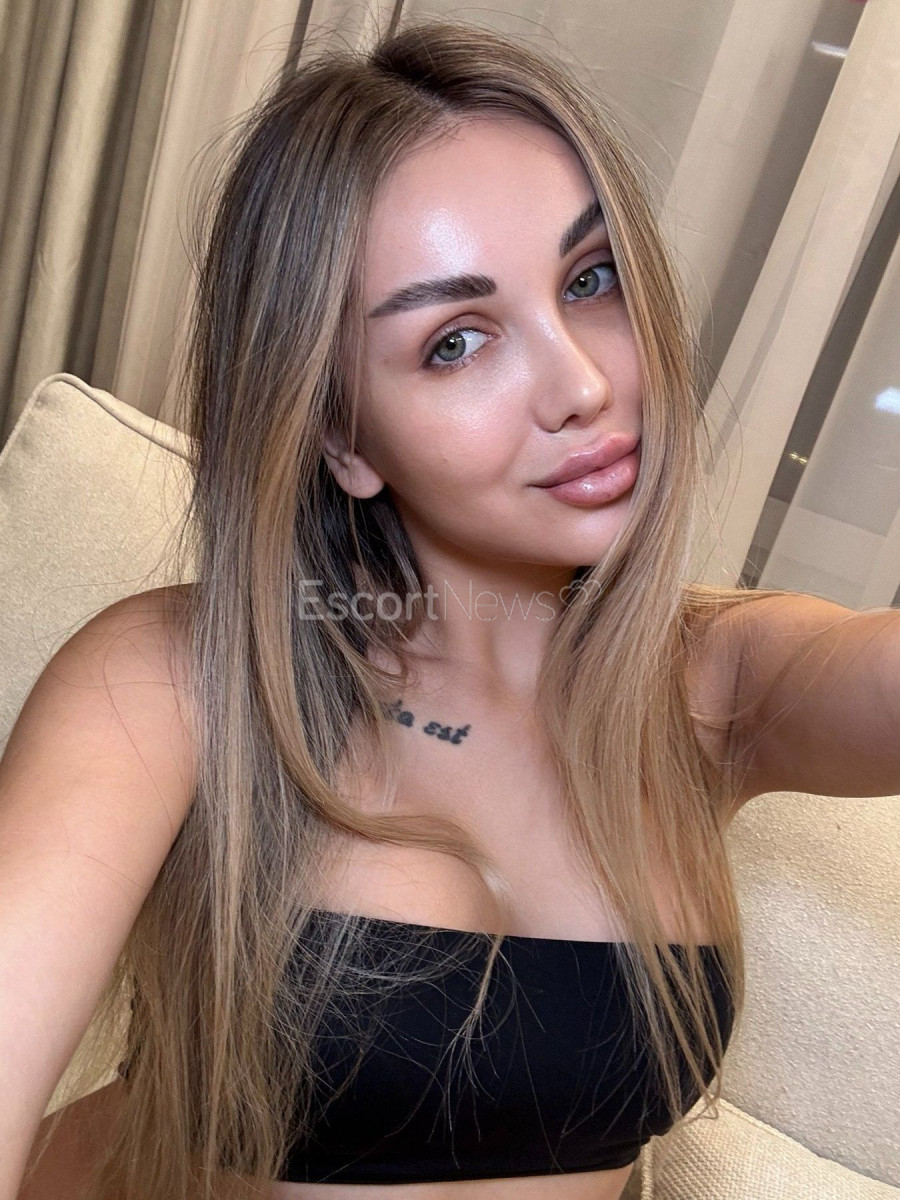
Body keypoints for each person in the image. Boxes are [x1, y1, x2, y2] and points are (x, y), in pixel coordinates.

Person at [8, 15, 892, 1200]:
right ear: (340, 436)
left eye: (590, 281)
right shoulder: (177, 679)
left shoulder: (714, 686)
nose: (584, 385)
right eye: (457, 341)